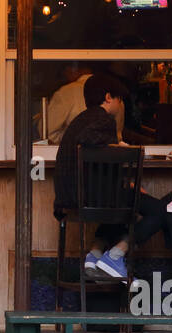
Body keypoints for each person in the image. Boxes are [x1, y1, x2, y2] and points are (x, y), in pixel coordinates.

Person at [53, 72, 131, 278]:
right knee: (152, 210)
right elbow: (86, 139)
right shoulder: (104, 120)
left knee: (120, 207)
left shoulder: (81, 119)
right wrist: (116, 148)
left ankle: (95, 255)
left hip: (68, 197)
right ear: (108, 98)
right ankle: (115, 256)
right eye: (119, 99)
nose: (120, 104)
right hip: (88, 198)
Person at [44, 64, 92, 144]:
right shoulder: (112, 91)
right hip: (109, 154)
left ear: (72, 69)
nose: (64, 76)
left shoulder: (68, 91)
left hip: (75, 153)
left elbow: (47, 132)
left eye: (63, 72)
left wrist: (68, 134)